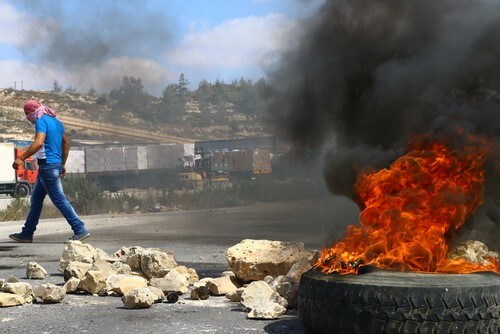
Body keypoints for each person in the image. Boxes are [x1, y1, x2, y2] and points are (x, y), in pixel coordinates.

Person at [9, 99, 90, 243]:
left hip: (48, 167)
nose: (28, 118)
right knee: (36, 200)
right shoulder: (57, 122)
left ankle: (79, 229)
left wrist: (21, 158)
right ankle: (27, 233)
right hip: (50, 166)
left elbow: (39, 142)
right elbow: (66, 142)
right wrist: (62, 164)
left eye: (28, 114)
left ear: (34, 111)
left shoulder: (41, 121)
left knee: (59, 199)